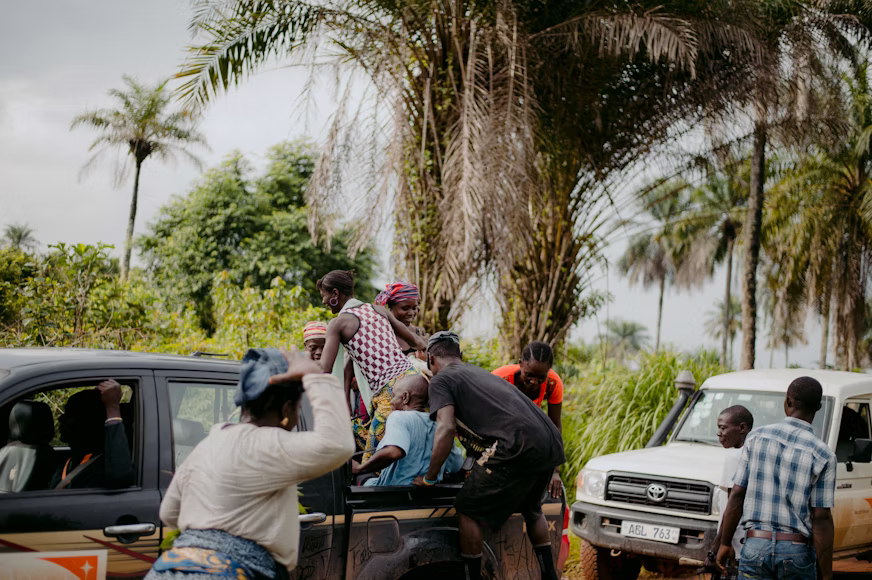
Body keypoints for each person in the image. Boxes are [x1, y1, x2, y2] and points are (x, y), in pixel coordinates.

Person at [147, 348, 354, 580]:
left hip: (171, 570)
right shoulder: (265, 444)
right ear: (286, 409)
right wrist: (316, 375)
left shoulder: (209, 443)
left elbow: (169, 512)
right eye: (296, 408)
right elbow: (338, 444)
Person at [417, 332, 565, 580]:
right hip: (550, 442)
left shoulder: (441, 380)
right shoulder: (478, 372)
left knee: (468, 510)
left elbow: (445, 429)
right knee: (532, 509)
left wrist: (429, 478)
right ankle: (549, 575)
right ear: (460, 356)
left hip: (518, 444)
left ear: (431, 359)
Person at [716, 377, 837, 580]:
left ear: (787, 401)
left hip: (755, 546)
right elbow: (822, 518)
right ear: (818, 407)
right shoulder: (824, 454)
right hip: (797, 551)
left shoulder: (755, 438)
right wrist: (826, 574)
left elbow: (737, 494)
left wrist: (725, 543)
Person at [316, 270, 427, 461]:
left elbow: (324, 369)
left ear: (335, 294)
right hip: (416, 383)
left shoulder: (338, 324)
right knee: (411, 448)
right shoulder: (378, 310)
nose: (324, 301)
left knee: (370, 463)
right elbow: (419, 342)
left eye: (324, 296)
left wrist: (294, 368)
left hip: (393, 395)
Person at [352, 374, 464, 486]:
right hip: (428, 494)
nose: (391, 402)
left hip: (394, 492)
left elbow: (393, 452)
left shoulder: (399, 417)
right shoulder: (439, 425)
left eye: (393, 396)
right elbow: (456, 465)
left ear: (405, 397)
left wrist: (360, 468)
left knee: (362, 477)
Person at [492, 341, 564, 498]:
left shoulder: (553, 383)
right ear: (520, 364)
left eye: (541, 377)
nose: (534, 382)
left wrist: (555, 471)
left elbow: (555, 428)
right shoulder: (499, 378)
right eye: (529, 375)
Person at [51, 379, 135, 490]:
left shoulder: (101, 466)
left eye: (70, 414)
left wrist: (112, 408)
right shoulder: (72, 457)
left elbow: (120, 478)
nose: (61, 418)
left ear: (89, 422)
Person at [706, 405, 753, 578]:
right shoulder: (750, 452)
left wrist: (716, 548)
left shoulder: (735, 456)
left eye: (723, 428)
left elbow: (732, 507)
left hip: (733, 542)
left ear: (742, 428)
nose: (719, 433)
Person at [375, 281, 428, 363]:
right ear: (391, 307)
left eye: (414, 308)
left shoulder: (419, 333)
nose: (411, 313)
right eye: (405, 308)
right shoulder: (380, 332)